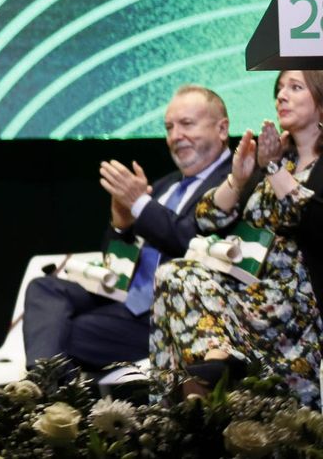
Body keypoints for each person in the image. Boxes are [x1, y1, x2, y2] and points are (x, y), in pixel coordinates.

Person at [21, 85, 232, 375]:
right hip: (126, 300)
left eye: (186, 124)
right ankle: (46, 384)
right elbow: (115, 263)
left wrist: (140, 204)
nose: (175, 136)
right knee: (45, 289)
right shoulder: (165, 186)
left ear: (222, 129)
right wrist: (121, 225)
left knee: (61, 335)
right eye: (169, 127)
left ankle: (43, 387)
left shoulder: (233, 183)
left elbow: (191, 242)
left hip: (174, 312)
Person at [152, 70, 323, 404]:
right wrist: (238, 180)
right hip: (250, 289)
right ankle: (213, 365)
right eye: (279, 88)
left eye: (295, 87)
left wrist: (273, 169)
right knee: (173, 272)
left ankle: (203, 386)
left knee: (181, 280)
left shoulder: (286, 163)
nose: (281, 96)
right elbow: (206, 218)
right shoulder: (277, 157)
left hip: (297, 305)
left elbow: (310, 221)